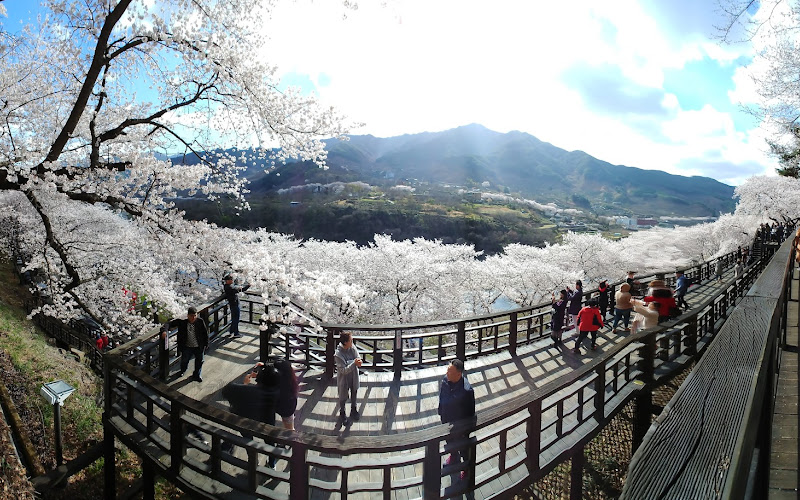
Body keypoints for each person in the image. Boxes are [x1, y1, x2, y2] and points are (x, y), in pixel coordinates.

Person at [221, 362, 280, 466]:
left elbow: (226, 390)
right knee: (270, 442)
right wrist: (264, 370)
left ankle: (253, 460)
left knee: (248, 439)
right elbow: (279, 371)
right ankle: (272, 464)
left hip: (246, 421)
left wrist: (245, 384)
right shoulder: (275, 392)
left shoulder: (247, 391)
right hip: (267, 422)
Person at [437, 359, 475, 482]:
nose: (447, 374)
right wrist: (441, 412)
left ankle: (467, 468)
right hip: (447, 420)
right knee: (449, 442)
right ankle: (453, 456)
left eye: (450, 372)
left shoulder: (466, 391)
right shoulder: (445, 380)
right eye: (447, 371)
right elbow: (442, 397)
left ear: (459, 374)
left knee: (464, 448)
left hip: (460, 426)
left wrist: (465, 430)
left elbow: (470, 413)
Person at [334, 332, 362, 426]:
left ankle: (353, 409)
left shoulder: (352, 347)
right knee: (343, 397)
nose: (352, 341)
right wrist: (354, 363)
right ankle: (342, 412)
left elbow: (358, 357)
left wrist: (356, 361)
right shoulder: (338, 354)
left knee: (354, 391)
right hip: (344, 379)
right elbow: (343, 370)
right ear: (345, 342)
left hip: (354, 375)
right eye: (351, 340)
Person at [177, 306, 209, 382]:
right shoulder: (183, 323)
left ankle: (197, 374)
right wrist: (164, 330)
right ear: (188, 315)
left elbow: (205, 333)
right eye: (191, 316)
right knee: (185, 360)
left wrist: (206, 344)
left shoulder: (200, 322)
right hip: (187, 346)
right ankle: (183, 370)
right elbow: (171, 324)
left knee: (199, 361)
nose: (193, 318)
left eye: (195, 315)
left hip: (198, 345)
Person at [274, 357, 299, 430]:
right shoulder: (290, 384)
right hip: (287, 407)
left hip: (280, 404)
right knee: (289, 428)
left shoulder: (272, 384)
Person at [224, 274, 250, 339]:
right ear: (227, 281)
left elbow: (236, 287)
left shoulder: (227, 286)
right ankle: (236, 333)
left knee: (234, 319)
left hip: (233, 304)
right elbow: (241, 289)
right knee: (236, 319)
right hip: (234, 304)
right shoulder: (230, 287)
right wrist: (248, 285)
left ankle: (231, 331)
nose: (232, 280)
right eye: (231, 279)